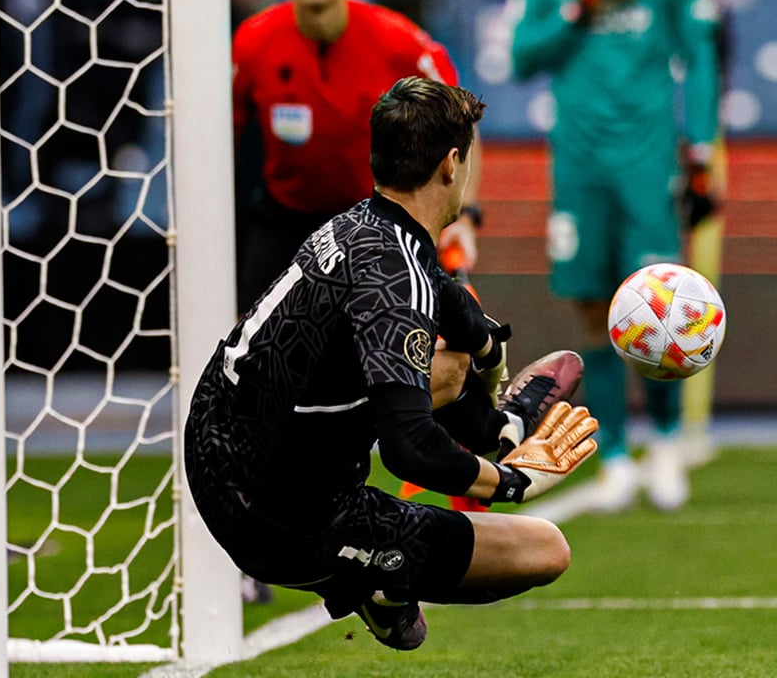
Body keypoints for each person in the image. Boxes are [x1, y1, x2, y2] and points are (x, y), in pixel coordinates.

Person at [185, 77, 599, 650]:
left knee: (440, 361)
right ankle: (372, 574)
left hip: (215, 444)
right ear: (453, 164)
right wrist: (512, 482)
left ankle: (499, 428)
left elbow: (450, 303)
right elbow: (411, 449)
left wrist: (490, 356)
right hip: (281, 518)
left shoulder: (362, 225)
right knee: (545, 548)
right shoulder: (397, 281)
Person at [509, 0, 720, 512]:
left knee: (661, 306)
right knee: (590, 306)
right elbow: (522, 55)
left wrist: (700, 149)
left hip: (647, 158)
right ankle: (617, 457)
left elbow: (699, 52)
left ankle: (668, 442)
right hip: (579, 160)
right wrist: (582, 6)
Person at [231, 0, 483, 317]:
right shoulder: (252, 43)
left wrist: (463, 217)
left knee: (404, 354)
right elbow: (223, 138)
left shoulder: (398, 40)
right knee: (249, 354)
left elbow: (464, 122)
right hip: (282, 224)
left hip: (376, 226)